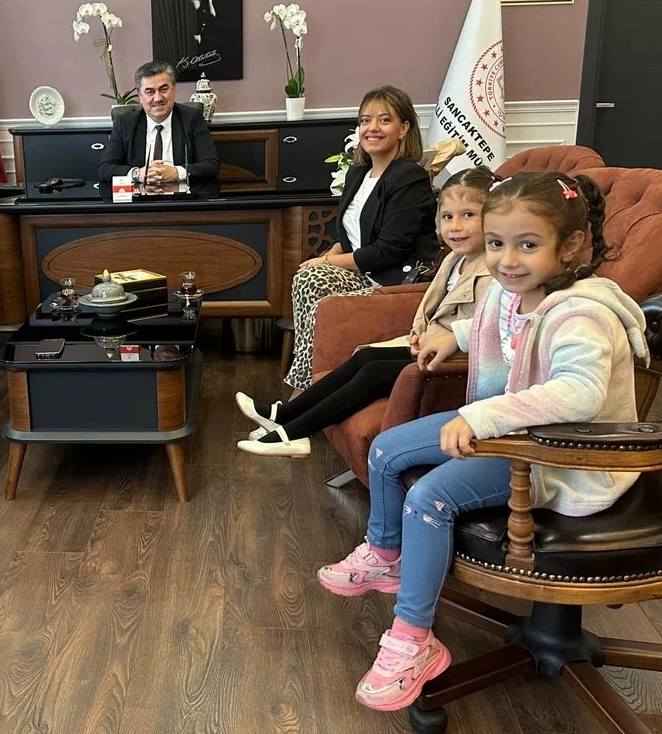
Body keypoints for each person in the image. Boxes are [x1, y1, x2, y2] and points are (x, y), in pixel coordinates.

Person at [317, 171, 648, 713]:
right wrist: (454, 334)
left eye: (527, 245)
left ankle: (413, 640)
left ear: (571, 246)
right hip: (513, 429)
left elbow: (580, 393)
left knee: (429, 498)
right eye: (496, 244)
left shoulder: (582, 314)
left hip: (557, 455)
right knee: (388, 448)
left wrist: (481, 415)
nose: (507, 260)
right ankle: (385, 553)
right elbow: (502, 328)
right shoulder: (509, 292)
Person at [236, 167, 494, 457]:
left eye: (468, 215)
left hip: (455, 360)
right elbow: (429, 306)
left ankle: (294, 433)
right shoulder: (454, 260)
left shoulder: (494, 269)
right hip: (427, 347)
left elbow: (490, 325)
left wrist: (444, 338)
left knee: (373, 372)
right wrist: (418, 331)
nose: (455, 226)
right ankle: (283, 414)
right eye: (447, 217)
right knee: (365, 356)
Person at [283, 85, 439, 390]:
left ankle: (303, 391)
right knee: (308, 277)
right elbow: (351, 239)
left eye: (384, 120)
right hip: (364, 274)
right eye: (365, 120)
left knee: (313, 278)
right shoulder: (357, 175)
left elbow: (387, 251)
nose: (372, 128)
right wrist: (326, 256)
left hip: (394, 279)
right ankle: (311, 385)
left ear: (404, 128)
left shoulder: (408, 176)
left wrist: (327, 262)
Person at [96, 61, 220, 199]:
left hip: (183, 202)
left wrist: (177, 173)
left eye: (163, 89)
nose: (158, 98)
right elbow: (105, 169)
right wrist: (138, 174)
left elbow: (211, 165)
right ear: (140, 96)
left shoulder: (191, 119)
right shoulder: (125, 123)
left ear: (174, 91)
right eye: (150, 92)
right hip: (138, 204)